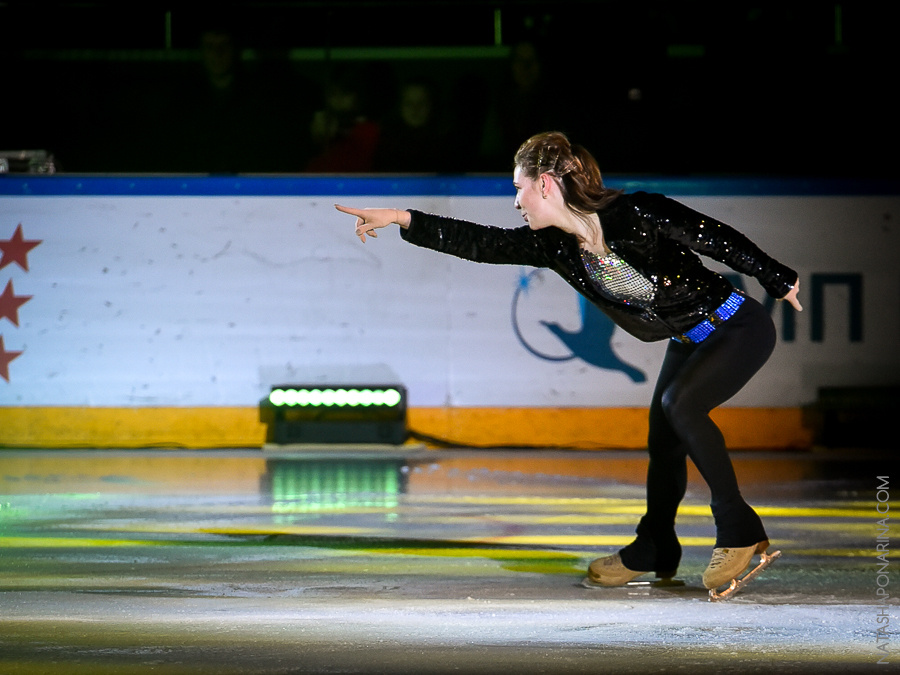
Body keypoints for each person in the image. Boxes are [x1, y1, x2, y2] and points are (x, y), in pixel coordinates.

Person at [334, 131, 802, 595]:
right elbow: (480, 242)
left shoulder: (636, 213)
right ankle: (654, 546)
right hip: (688, 338)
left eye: (518, 187)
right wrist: (401, 217)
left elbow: (716, 239)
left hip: (736, 325)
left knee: (679, 404)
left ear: (545, 184)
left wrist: (777, 278)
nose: (516, 201)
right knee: (663, 439)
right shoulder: (555, 246)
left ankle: (738, 528)